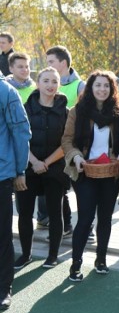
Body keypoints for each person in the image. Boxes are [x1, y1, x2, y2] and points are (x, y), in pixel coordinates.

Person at [61, 70, 119, 281]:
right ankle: (76, 264)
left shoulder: (118, 112)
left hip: (110, 171)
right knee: (86, 218)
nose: (102, 89)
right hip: (84, 170)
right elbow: (67, 140)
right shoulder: (77, 111)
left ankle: (101, 260)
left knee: (105, 217)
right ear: (90, 87)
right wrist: (77, 157)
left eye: (106, 86)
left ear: (112, 89)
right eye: (98, 85)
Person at [14, 67, 69, 270]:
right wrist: (34, 161)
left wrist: (46, 163)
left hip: (55, 168)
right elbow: (19, 138)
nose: (50, 85)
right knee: (25, 213)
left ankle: (52, 256)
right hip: (28, 167)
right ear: (38, 83)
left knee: (55, 213)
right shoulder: (24, 109)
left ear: (59, 84)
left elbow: (67, 142)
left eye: (54, 81)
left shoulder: (65, 111)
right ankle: (26, 254)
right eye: (46, 81)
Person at [0, 75, 31, 311]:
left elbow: (21, 132)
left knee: (1, 235)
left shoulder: (7, 92)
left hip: (2, 174)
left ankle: (3, 288)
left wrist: (20, 170)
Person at [45, 45, 82, 235]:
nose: (48, 66)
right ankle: (64, 224)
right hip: (50, 147)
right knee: (59, 191)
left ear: (63, 63)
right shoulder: (45, 84)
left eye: (51, 62)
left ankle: (84, 226)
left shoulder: (80, 86)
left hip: (71, 147)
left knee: (74, 189)